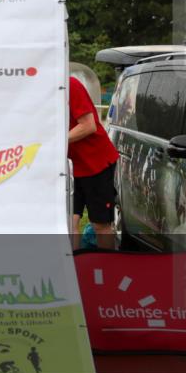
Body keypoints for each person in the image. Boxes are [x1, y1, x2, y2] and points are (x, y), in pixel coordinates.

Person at [69, 76, 119, 250]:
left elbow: (88, 125)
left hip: (96, 164)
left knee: (100, 225)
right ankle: (72, 269)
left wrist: (53, 142)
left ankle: (108, 268)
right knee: (69, 222)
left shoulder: (70, 85)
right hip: (69, 168)